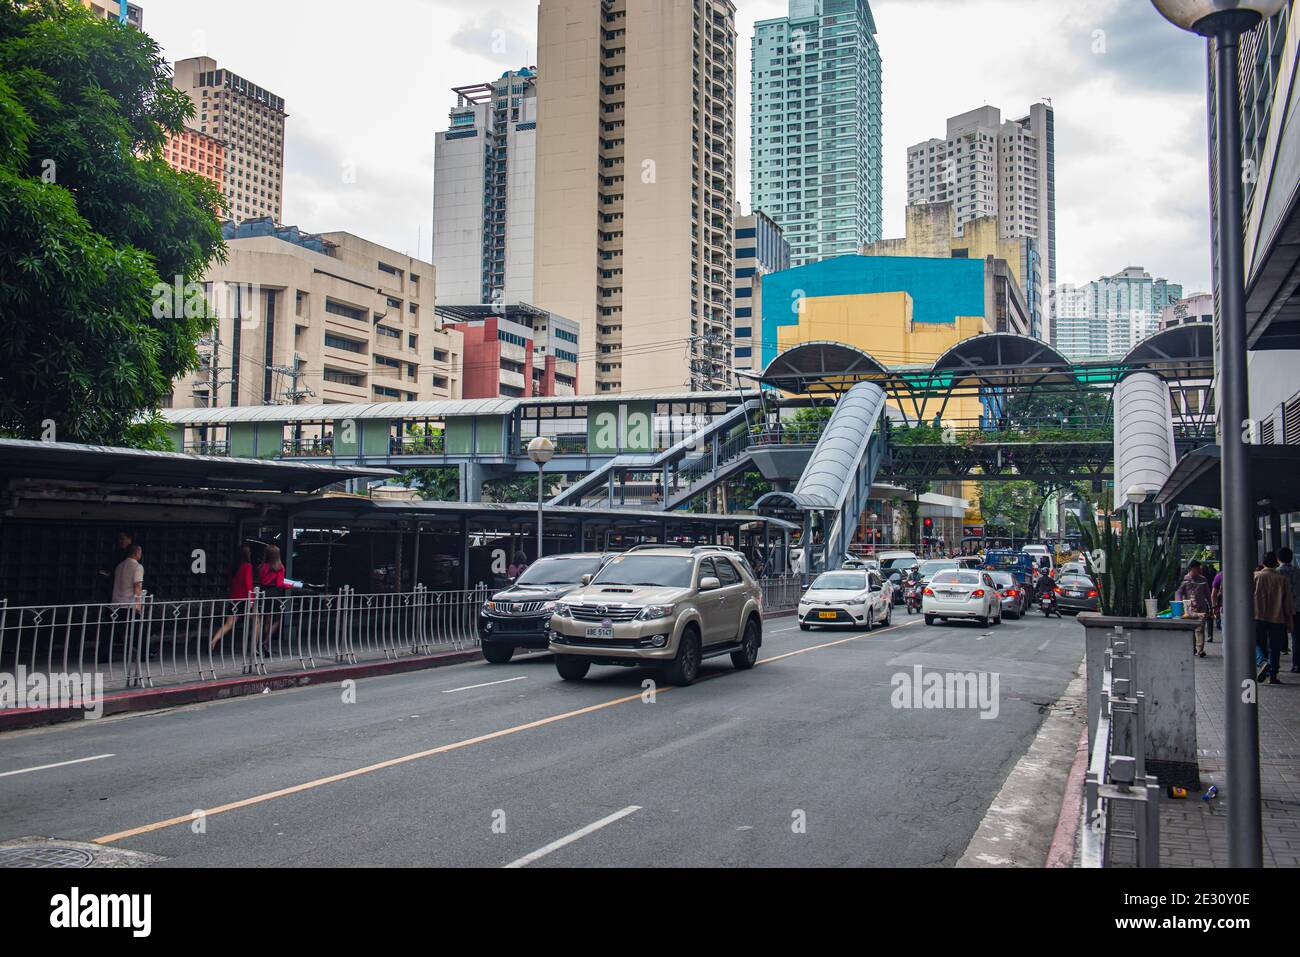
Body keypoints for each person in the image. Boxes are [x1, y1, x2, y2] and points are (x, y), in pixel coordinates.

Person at [1254, 552, 1295, 685]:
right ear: (1276, 563)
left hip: (1258, 616)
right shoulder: (1282, 579)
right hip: (1277, 617)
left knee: (1256, 642)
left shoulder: (1256, 577)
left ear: (1263, 562)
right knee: (1275, 647)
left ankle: (1262, 662)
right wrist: (1290, 620)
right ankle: (1273, 675)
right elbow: (1287, 602)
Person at [255, 544, 301, 654]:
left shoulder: (262, 567)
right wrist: (292, 585)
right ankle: (266, 642)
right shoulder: (280, 567)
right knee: (278, 619)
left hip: (263, 593)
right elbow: (280, 584)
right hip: (274, 593)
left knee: (267, 619)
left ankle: (264, 644)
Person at [210, 546, 255, 651]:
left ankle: (213, 642)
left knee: (229, 624)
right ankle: (255, 647)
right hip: (245, 599)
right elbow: (248, 584)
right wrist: (252, 600)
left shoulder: (234, 566)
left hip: (234, 598)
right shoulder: (247, 566)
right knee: (257, 621)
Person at [1176, 560, 1212, 658]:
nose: (1199, 570)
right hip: (1189, 609)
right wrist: (1179, 603)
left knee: (1200, 629)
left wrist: (1211, 606)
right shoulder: (1185, 579)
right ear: (1191, 568)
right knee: (1190, 629)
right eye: (1197, 568)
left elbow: (1207, 594)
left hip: (1201, 608)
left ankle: (1200, 650)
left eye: (1199, 568)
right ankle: (1192, 648)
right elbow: (1179, 592)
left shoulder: (1203, 579)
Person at [1277, 547, 1300, 673]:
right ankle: (1297, 664)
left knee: (1275, 636)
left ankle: (1274, 666)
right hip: (1297, 608)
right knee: (1297, 637)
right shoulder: (1297, 571)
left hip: (1279, 610)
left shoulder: (1276, 573)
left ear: (1278, 558)